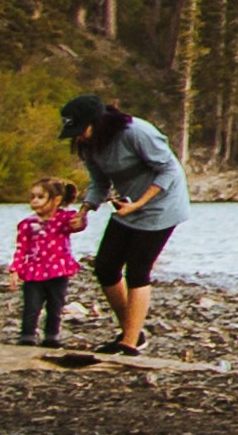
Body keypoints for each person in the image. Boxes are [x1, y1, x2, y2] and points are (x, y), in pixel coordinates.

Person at [57, 91, 187, 354]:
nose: (79, 136)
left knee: (138, 271)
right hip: (127, 206)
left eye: (82, 129)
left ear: (98, 122)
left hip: (162, 204)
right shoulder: (89, 145)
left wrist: (139, 204)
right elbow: (99, 183)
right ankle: (134, 331)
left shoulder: (136, 132)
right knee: (105, 267)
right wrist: (84, 211)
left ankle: (129, 343)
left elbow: (169, 169)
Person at [12, 175, 84, 346]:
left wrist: (81, 220)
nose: (35, 201)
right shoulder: (27, 224)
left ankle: (52, 336)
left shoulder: (64, 220)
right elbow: (21, 248)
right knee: (31, 306)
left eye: (40, 197)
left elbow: (78, 225)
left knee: (55, 305)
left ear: (56, 199)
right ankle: (27, 335)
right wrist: (15, 269)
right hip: (34, 271)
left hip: (58, 270)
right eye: (33, 197)